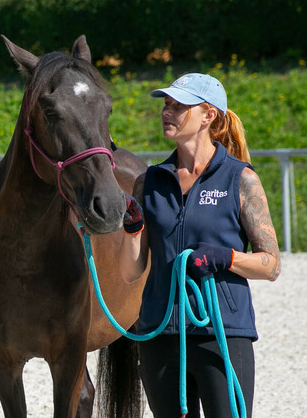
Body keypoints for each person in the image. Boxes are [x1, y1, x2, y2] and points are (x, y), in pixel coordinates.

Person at [118, 73, 282, 417]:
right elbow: (131, 271)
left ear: (209, 115)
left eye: (179, 106)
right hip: (159, 332)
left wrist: (227, 257)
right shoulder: (148, 182)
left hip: (222, 333)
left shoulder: (241, 179)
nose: (167, 112)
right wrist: (131, 230)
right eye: (166, 104)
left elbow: (271, 264)